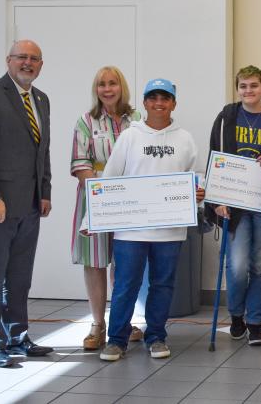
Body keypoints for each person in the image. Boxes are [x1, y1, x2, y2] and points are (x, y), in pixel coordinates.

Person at [96, 78, 205, 361]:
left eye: (165, 98)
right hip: (131, 230)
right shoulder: (130, 136)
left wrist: (198, 192)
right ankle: (116, 339)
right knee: (125, 285)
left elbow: (193, 178)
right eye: (153, 98)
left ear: (173, 104)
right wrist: (92, 218)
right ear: (144, 103)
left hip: (170, 230)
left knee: (163, 284)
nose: (159, 103)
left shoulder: (185, 139)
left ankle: (156, 336)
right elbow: (109, 179)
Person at [0, 40, 54, 367]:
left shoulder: (41, 99)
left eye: (34, 59)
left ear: (41, 64)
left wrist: (46, 191)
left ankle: (17, 336)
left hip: (30, 205)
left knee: (20, 277)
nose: (28, 63)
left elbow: (43, 150)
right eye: (21, 57)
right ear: (8, 60)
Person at [70, 66, 144, 351]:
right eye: (102, 84)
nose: (107, 89)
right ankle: (97, 324)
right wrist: (104, 189)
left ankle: (122, 322)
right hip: (95, 199)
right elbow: (80, 163)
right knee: (96, 262)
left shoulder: (137, 120)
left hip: (131, 200)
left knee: (125, 263)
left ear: (121, 86)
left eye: (113, 83)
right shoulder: (86, 121)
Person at [206, 65, 261, 346]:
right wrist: (216, 200)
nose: (249, 91)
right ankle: (236, 316)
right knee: (236, 266)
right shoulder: (227, 117)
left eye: (254, 86)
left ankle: (255, 322)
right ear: (238, 89)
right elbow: (216, 156)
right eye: (244, 86)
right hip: (234, 205)